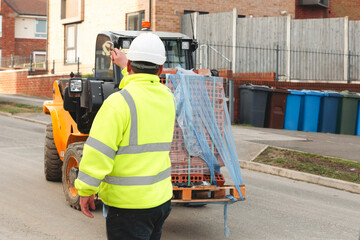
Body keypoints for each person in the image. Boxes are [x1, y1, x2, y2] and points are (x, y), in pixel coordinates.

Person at [74, 32, 176, 240]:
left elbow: (98, 154)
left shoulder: (118, 104)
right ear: (161, 69)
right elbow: (145, 84)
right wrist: (125, 65)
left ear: (129, 67)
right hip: (161, 202)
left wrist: (85, 189)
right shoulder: (167, 98)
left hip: (129, 207)